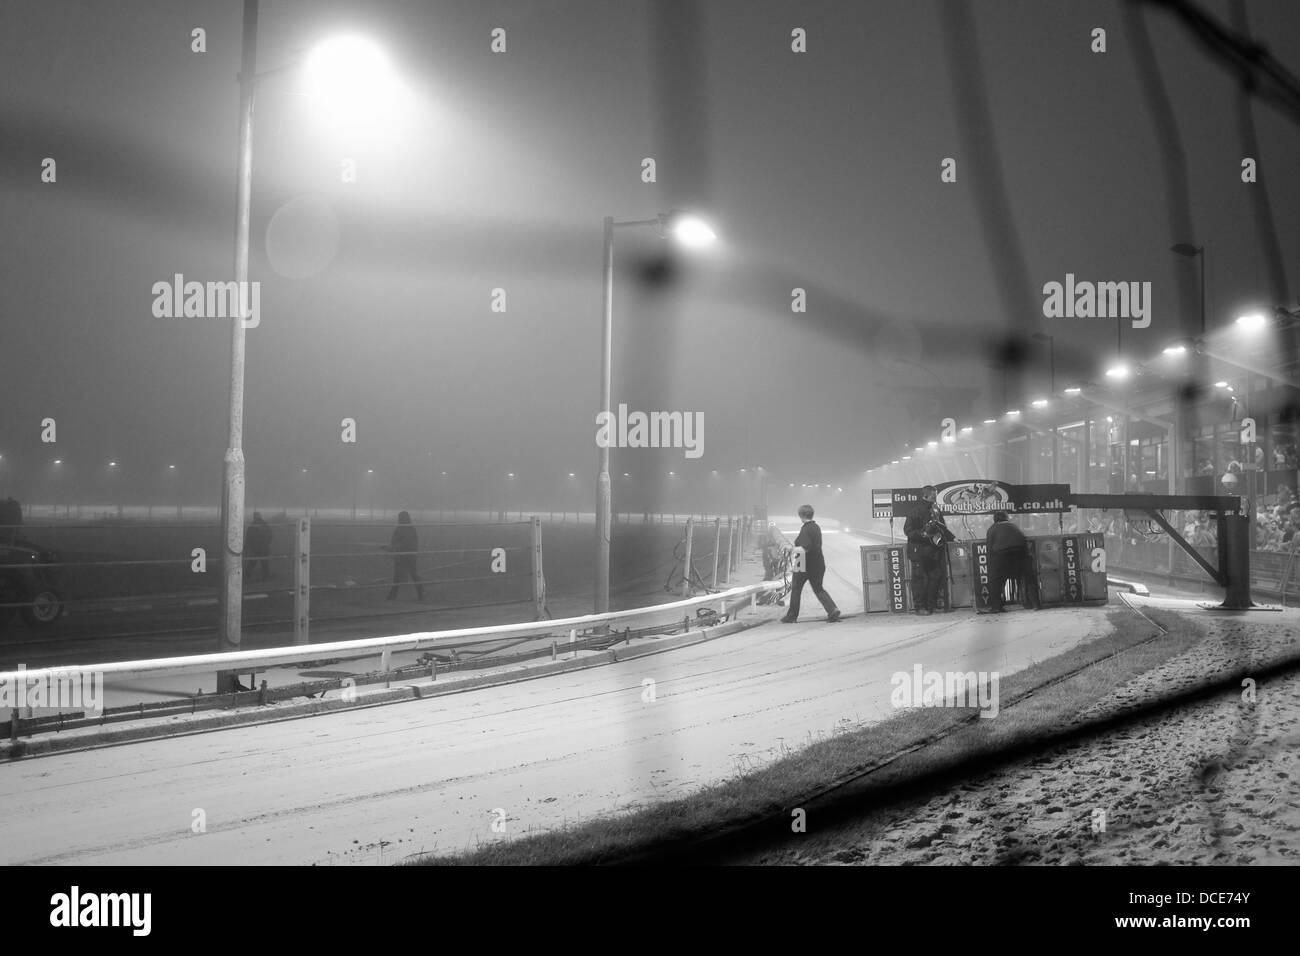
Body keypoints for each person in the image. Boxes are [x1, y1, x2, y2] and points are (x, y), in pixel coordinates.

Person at [780, 504, 841, 623]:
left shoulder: (805, 528)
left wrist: (790, 549)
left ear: (801, 516)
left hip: (802, 561)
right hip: (818, 563)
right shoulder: (816, 527)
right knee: (818, 588)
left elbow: (804, 548)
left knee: (796, 589)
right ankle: (832, 609)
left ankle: (791, 616)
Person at [903, 485, 953, 615]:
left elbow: (942, 527)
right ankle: (919, 607)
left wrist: (953, 538)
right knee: (919, 579)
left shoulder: (936, 510)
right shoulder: (915, 510)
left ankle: (931, 605)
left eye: (935, 496)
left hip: (933, 551)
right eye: (933, 496)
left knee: (936, 576)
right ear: (925, 495)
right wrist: (923, 534)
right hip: (918, 551)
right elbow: (908, 531)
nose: (935, 498)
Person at [984, 511, 1039, 612]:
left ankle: (997, 607)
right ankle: (1034, 603)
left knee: (995, 580)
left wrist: (991, 566)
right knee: (1028, 578)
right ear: (1007, 518)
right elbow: (1023, 540)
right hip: (1021, 554)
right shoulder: (1014, 526)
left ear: (995, 519)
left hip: (1002, 555)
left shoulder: (992, 529)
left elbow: (989, 548)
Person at [386, 510, 424, 600]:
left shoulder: (404, 529)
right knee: (406, 575)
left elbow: (406, 543)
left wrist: (394, 547)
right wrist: (392, 547)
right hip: (405, 555)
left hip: (406, 555)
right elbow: (398, 541)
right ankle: (420, 593)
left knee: (406, 575)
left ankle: (394, 594)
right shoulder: (406, 528)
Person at [245, 512, 272, 583]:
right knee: (264, 563)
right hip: (262, 547)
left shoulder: (252, 525)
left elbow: (248, 537)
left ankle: (248, 575)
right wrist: (266, 543)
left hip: (256, 548)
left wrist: (246, 546)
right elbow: (270, 535)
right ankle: (265, 578)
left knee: (253, 562)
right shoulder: (265, 525)